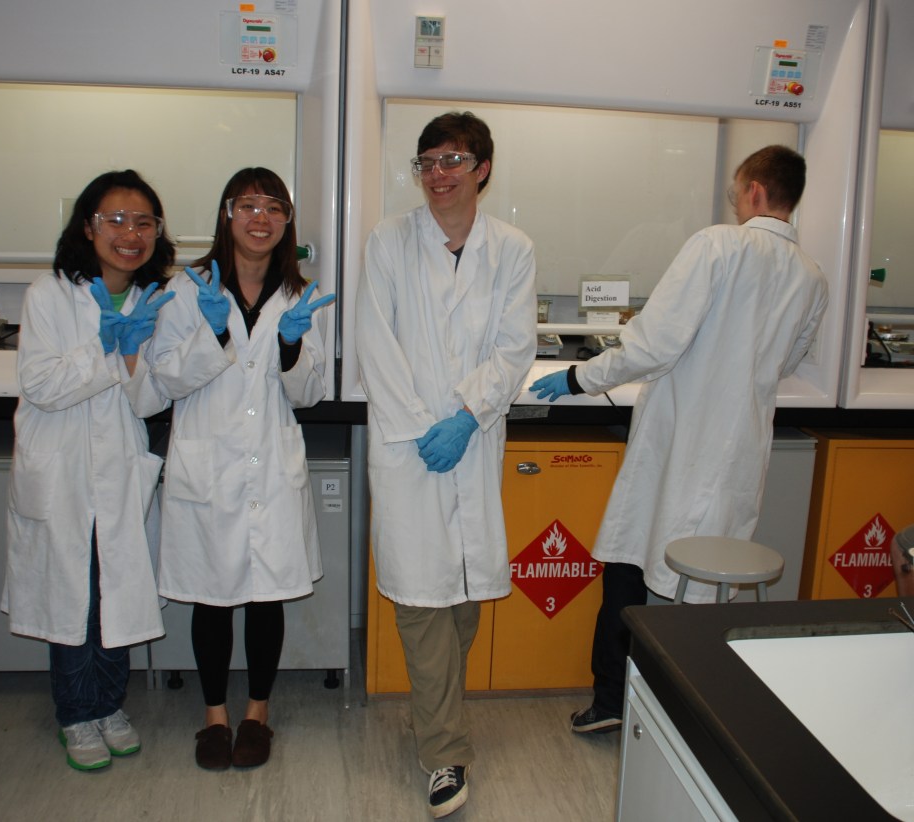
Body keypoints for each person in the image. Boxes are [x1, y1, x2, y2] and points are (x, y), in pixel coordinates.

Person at [530, 144, 829, 736]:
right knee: (708, 581)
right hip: (738, 450)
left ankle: (614, 701)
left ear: (755, 193)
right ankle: (689, 715)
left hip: (678, 440)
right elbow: (790, 357)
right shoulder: (812, 277)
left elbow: (653, 343)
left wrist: (577, 377)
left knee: (629, 563)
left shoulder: (718, 244)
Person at [355, 112, 537, 818]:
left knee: (460, 604)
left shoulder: (512, 250)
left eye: (453, 160)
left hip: (471, 439)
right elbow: (377, 342)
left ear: (483, 169)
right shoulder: (389, 241)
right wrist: (420, 429)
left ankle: (436, 714)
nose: (438, 174)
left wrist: (466, 417)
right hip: (408, 451)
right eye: (427, 160)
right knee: (420, 604)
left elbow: (514, 347)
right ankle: (445, 753)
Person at [145, 167, 334, 772]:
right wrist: (207, 327)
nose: (261, 217)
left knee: (265, 599)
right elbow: (166, 379)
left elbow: (309, 394)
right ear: (227, 214)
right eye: (248, 204)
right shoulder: (184, 290)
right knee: (212, 596)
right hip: (209, 465)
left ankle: (257, 712)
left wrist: (289, 347)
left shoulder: (301, 296)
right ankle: (213, 717)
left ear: (287, 221)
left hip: (271, 468)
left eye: (274, 206)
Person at [2, 169, 175, 771]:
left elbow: (150, 399)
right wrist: (107, 347)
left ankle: (110, 705)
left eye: (144, 222)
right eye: (116, 220)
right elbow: (43, 385)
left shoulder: (154, 299)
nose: (131, 234)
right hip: (64, 471)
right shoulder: (50, 293)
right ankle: (77, 714)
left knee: (117, 590)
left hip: (119, 470)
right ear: (88, 227)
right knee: (74, 596)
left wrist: (135, 355)